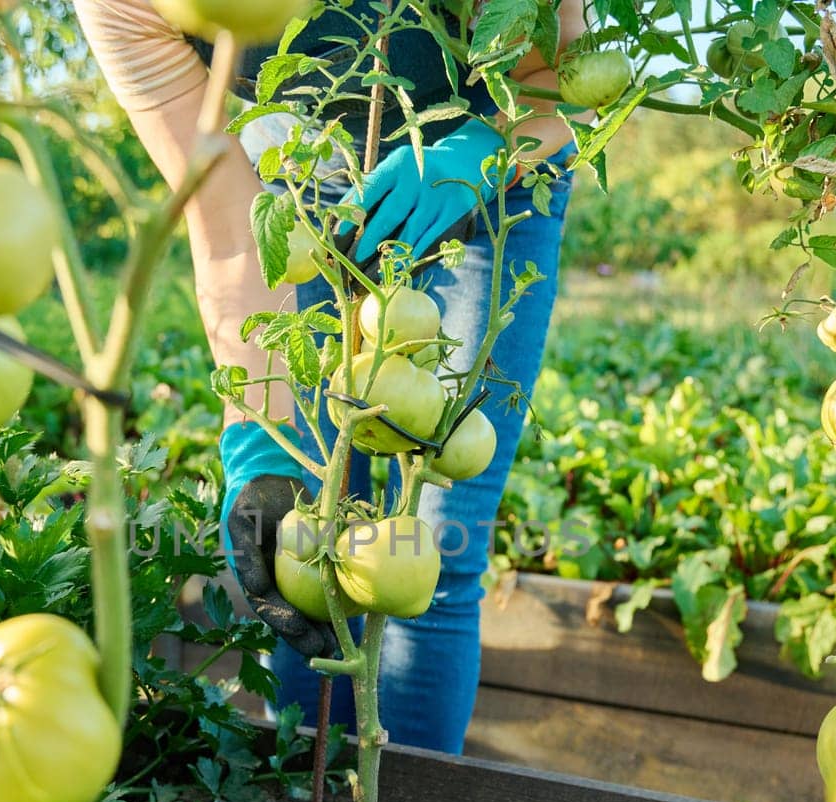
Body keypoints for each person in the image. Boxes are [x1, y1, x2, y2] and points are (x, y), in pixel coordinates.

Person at [78, 0, 588, 753]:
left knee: (434, 543)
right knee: (305, 544)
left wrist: (477, 152)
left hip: (492, 177)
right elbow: (224, 222)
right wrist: (262, 442)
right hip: (284, 177)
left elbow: (563, 85)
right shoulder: (121, 4)